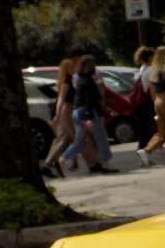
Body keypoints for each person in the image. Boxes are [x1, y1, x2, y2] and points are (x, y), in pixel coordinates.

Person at [61, 55, 114, 174]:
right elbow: (92, 97)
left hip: (77, 111)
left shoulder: (76, 77)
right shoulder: (91, 79)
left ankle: (63, 159)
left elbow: (79, 96)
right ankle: (105, 165)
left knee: (79, 141)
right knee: (101, 138)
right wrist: (91, 116)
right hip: (90, 112)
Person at [41, 47, 87, 177]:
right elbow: (60, 99)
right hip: (65, 111)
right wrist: (56, 115)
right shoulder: (66, 83)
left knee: (62, 138)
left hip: (66, 111)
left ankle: (50, 163)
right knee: (73, 138)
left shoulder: (68, 81)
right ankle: (53, 163)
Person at [131, 46, 156, 149]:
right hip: (147, 104)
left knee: (143, 131)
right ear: (150, 57)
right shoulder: (150, 70)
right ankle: (144, 153)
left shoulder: (140, 70)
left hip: (138, 104)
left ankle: (143, 153)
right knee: (148, 131)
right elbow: (152, 89)